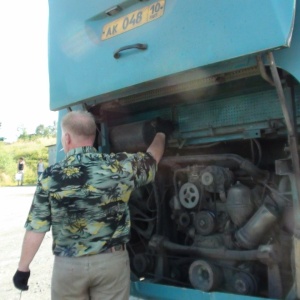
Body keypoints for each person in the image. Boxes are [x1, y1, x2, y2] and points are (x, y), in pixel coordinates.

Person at [13, 111, 173, 300]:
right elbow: (151, 159)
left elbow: (36, 228)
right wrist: (161, 134)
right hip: (111, 264)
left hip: (69, 267)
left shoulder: (51, 177)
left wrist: (23, 268)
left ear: (66, 138)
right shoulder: (119, 167)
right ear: (93, 135)